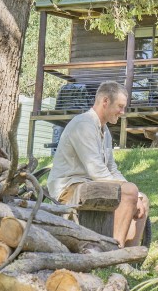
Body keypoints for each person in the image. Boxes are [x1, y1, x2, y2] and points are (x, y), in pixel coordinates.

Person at [48, 81, 149, 247]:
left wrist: (136, 195)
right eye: (120, 106)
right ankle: (114, 252)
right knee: (129, 191)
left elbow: (112, 169)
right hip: (69, 189)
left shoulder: (105, 130)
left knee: (143, 199)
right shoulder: (83, 124)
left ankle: (130, 258)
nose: (123, 112)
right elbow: (97, 172)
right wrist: (131, 191)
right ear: (105, 102)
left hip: (90, 185)